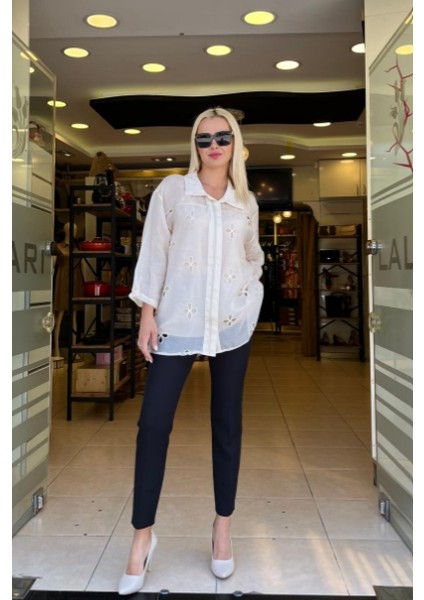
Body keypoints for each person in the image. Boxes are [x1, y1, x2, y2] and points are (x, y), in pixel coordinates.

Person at [118, 107, 264, 595]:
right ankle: (142, 537)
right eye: (205, 139)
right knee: (153, 424)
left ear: (235, 143)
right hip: (176, 324)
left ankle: (222, 528)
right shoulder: (173, 191)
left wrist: (248, 296)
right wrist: (148, 312)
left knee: (227, 425)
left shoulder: (246, 201)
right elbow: (154, 252)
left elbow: (254, 256)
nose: (214, 146)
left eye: (223, 137)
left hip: (230, 327)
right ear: (194, 145)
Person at [52, 222, 84, 358]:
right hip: (62, 281)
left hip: (76, 281)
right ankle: (56, 350)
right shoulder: (58, 247)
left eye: (75, 230)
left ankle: (74, 349)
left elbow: (82, 267)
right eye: (71, 229)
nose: (73, 232)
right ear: (65, 230)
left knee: (74, 316)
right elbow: (53, 267)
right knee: (58, 316)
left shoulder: (78, 248)